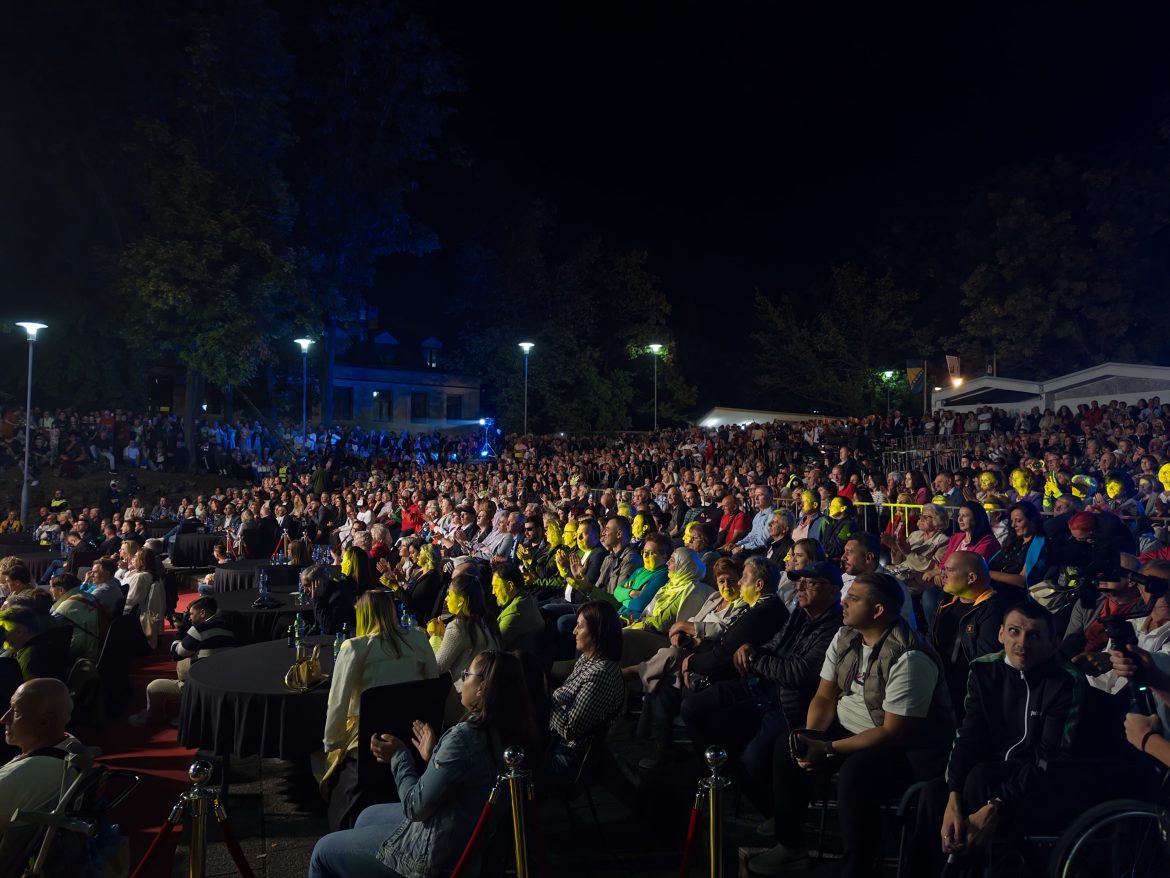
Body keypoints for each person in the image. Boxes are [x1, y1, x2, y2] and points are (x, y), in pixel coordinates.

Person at [750, 572, 953, 877]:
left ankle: (858, 866)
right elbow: (824, 694)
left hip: (906, 747)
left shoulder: (910, 657)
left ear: (878, 610)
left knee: (856, 775)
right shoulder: (846, 636)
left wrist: (828, 748)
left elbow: (892, 732)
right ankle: (791, 847)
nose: (843, 602)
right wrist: (812, 738)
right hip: (852, 729)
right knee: (788, 745)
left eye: (854, 598)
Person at [308, 650, 540, 878]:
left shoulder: (464, 737)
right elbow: (470, 778)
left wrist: (399, 756)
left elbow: (415, 806)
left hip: (436, 855)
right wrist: (433, 756)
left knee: (321, 853)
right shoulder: (510, 731)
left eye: (467, 674)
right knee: (366, 816)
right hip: (463, 835)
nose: (462, 678)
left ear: (482, 688)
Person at [911, 602, 1089, 875]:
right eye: (1015, 632)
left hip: (1038, 782)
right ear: (1001, 634)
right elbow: (968, 735)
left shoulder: (1065, 680)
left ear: (1054, 643)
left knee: (981, 777)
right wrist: (953, 796)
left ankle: (961, 870)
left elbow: (1049, 757)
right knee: (933, 795)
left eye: (1035, 636)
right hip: (985, 777)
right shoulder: (984, 669)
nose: (1022, 643)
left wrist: (995, 804)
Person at [321, 590, 439, 786]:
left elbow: (337, 702)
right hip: (412, 733)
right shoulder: (418, 640)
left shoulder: (354, 648)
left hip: (368, 737)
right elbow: (432, 686)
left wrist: (332, 742)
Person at [547, 601, 626, 788]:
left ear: (597, 632)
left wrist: (546, 697)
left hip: (566, 759)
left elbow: (569, 730)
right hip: (556, 744)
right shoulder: (588, 659)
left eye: (580, 626)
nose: (574, 631)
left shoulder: (601, 674)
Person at [0, 678, 90, 832]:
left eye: (16, 712)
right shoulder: (71, 745)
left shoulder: (17, 778)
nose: (3, 719)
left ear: (44, 722)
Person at [129, 596, 235, 726]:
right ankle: (187, 708)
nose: (189, 618)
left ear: (202, 613)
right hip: (227, 681)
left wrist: (181, 630)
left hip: (204, 686)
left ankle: (156, 715)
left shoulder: (199, 630)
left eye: (191, 614)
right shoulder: (227, 625)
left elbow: (176, 654)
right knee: (184, 665)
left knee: (153, 687)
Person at [930, 551, 1007, 715]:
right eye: (943, 569)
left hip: (964, 696)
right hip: (939, 684)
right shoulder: (946, 601)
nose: (943, 575)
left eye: (949, 570)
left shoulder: (992, 612)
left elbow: (985, 667)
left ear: (971, 578)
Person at [491, 562, 543, 654]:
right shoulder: (526, 598)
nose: (493, 592)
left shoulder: (513, 615)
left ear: (510, 586)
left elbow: (492, 647)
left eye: (495, 587)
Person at [303, 564, 357, 637]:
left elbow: (328, 628)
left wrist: (317, 599)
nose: (304, 590)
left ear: (320, 583)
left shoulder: (338, 597)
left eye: (308, 585)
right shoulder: (322, 592)